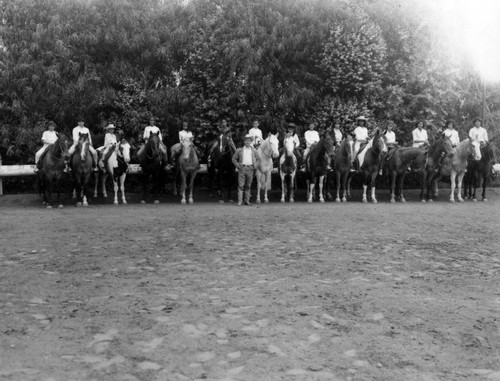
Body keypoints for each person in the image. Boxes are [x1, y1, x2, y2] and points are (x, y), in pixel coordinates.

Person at [232, 134, 260, 206]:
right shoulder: (239, 150)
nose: (247, 142)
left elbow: (259, 159)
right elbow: (234, 159)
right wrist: (238, 165)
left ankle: (247, 201)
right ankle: (239, 201)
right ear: (244, 141)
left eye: (249, 141)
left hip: (250, 169)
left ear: (251, 141)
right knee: (241, 185)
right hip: (242, 169)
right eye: (246, 140)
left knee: (248, 185)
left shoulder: (254, 150)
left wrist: (255, 166)